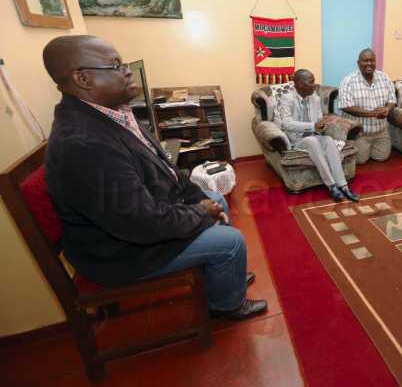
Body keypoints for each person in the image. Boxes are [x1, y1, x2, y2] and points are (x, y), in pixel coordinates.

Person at [43, 35, 267, 320]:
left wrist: (200, 203)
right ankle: (226, 305)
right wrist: (200, 213)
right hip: (121, 252)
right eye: (115, 65)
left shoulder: (114, 114)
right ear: (83, 78)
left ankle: (225, 275)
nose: (127, 70)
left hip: (145, 216)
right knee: (231, 241)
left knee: (215, 199)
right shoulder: (85, 143)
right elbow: (141, 224)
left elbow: (169, 170)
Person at [275, 69, 359, 202]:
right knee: (312, 142)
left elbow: (319, 120)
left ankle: (343, 186)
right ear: (300, 84)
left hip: (315, 135)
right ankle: (331, 186)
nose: (315, 85)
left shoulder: (315, 98)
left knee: (329, 140)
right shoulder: (287, 99)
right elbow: (287, 124)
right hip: (297, 139)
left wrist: (324, 123)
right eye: (311, 81)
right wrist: (313, 125)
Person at [339, 48, 396, 164]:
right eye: (365, 61)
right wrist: (373, 113)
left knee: (382, 158)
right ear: (358, 63)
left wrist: (386, 109)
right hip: (360, 133)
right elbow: (346, 106)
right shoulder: (348, 81)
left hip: (381, 131)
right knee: (361, 161)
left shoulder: (385, 78)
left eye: (372, 60)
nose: (369, 64)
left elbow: (392, 100)